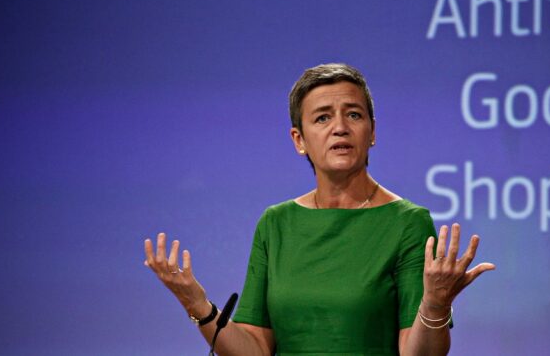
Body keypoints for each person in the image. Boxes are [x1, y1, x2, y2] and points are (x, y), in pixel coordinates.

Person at [144, 63, 495, 355]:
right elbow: (255, 349)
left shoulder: (407, 223)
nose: (340, 128)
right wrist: (197, 304)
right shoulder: (276, 223)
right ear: (299, 140)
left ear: (372, 131)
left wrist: (434, 304)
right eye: (323, 118)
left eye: (353, 115)